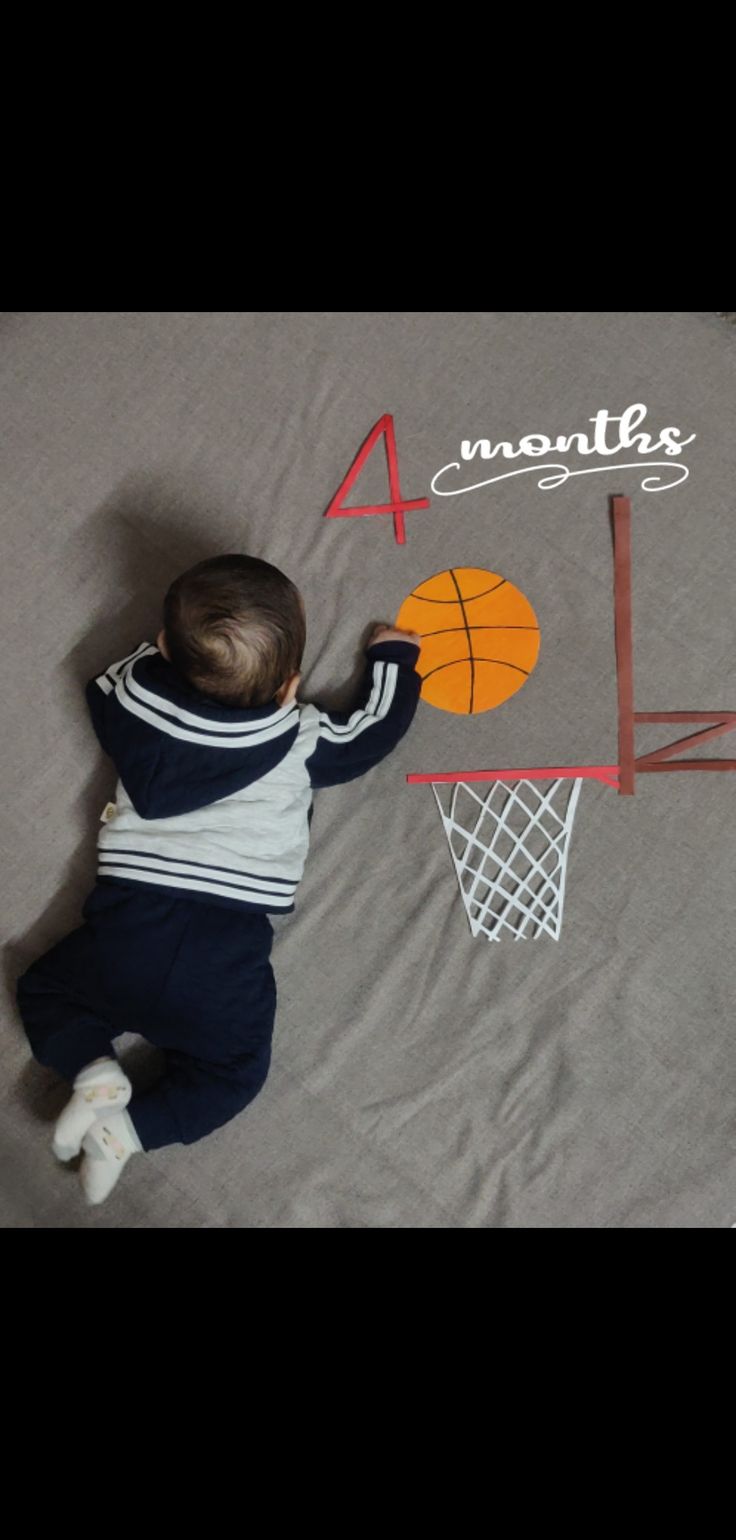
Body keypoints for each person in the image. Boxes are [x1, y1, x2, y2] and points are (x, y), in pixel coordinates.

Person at [16, 554, 422, 1204]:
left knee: (46, 990)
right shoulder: (298, 736)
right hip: (223, 950)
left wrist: (164, 658)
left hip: (126, 926)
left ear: (164, 650)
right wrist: (393, 667)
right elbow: (370, 736)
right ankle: (130, 1129)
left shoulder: (134, 707)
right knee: (232, 1073)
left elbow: (107, 683)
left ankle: (94, 1070)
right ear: (290, 686)